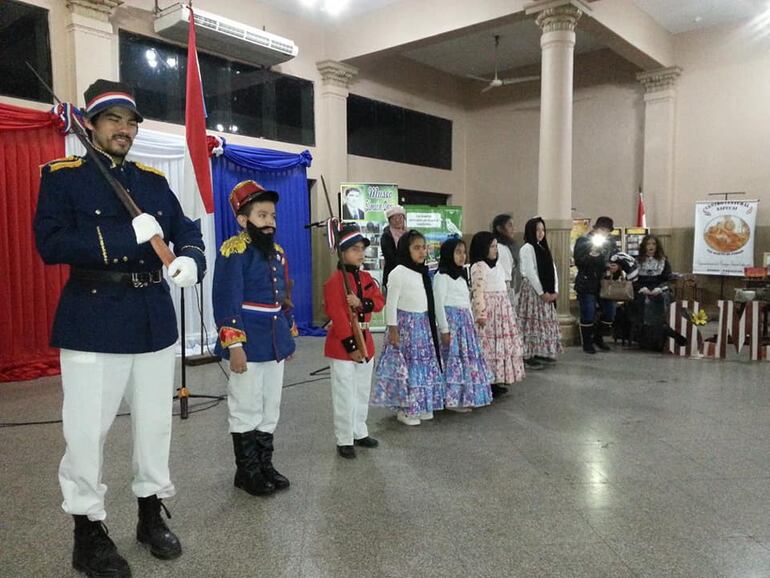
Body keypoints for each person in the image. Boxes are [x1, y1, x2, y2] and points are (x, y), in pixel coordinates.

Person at [33, 79, 205, 577]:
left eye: (130, 122)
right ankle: (87, 531)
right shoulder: (63, 177)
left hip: (152, 316)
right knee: (87, 432)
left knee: (155, 425)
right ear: (90, 123)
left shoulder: (151, 180)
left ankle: (150, 514)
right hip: (93, 316)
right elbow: (50, 241)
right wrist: (119, 236)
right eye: (113, 120)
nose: (124, 130)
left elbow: (186, 228)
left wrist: (191, 260)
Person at [213, 180, 295, 497]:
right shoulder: (233, 251)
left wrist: (287, 335)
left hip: (274, 339)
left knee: (270, 405)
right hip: (248, 340)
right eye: (262, 216)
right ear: (243, 220)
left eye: (272, 216)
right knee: (245, 405)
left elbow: (282, 297)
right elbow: (226, 300)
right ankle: (247, 471)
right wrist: (235, 346)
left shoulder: (277, 253)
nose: (269, 223)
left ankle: (264, 464)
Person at [323, 223, 385, 458]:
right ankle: (344, 438)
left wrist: (361, 302)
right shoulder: (334, 282)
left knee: (361, 392)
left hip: (366, 341)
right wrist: (351, 347)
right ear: (342, 252)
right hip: (343, 346)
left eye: (362, 249)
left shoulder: (367, 277)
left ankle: (360, 431)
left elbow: (378, 301)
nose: (360, 253)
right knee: (344, 393)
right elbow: (338, 318)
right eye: (354, 249)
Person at [371, 230, 445, 426]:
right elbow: (392, 303)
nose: (422, 252)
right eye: (416, 248)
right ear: (406, 249)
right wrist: (393, 329)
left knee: (422, 367)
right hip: (405, 328)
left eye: (424, 247)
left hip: (422, 327)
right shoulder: (398, 272)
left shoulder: (423, 272)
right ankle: (405, 409)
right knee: (407, 369)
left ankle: (420, 404)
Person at [433, 238, 494, 412]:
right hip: (452, 323)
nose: (462, 256)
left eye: (463, 252)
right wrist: (444, 329)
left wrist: (471, 321)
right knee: (453, 361)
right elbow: (438, 303)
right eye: (457, 252)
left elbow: (466, 301)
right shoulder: (442, 276)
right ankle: (452, 399)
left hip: (465, 324)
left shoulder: (460, 276)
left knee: (466, 361)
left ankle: (465, 395)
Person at [469, 231, 526, 397]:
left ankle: (497, 378)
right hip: (489, 313)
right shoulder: (479, 266)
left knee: (499, 346)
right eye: (491, 246)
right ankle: (486, 380)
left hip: (502, 311)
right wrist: (481, 313)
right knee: (488, 347)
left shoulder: (497, 265)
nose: (495, 250)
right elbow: (477, 292)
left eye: (495, 246)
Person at [492, 214, 539, 369]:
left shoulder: (509, 247)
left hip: (510, 291)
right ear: (500, 228)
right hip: (503, 293)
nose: (513, 228)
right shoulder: (500, 248)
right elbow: (505, 276)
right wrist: (509, 297)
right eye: (510, 225)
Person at [517, 217, 563, 364]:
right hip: (533, 291)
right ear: (530, 231)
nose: (540, 233)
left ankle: (540, 351)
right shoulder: (527, 248)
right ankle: (527, 353)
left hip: (546, 292)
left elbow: (552, 269)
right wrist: (542, 292)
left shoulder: (543, 247)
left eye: (543, 230)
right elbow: (530, 272)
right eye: (537, 230)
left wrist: (555, 290)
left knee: (543, 322)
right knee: (531, 322)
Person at [632, 235, 686, 350]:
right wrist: (642, 288)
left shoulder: (663, 260)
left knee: (663, 301)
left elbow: (668, 278)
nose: (651, 246)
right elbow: (633, 280)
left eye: (653, 244)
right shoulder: (637, 261)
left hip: (659, 288)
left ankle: (664, 336)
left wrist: (660, 288)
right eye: (648, 244)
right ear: (644, 246)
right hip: (642, 289)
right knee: (642, 303)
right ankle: (645, 339)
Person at [573, 216, 618, 354]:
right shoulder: (583, 241)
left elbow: (617, 257)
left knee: (610, 312)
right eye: (602, 229)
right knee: (588, 312)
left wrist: (616, 267)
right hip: (587, 283)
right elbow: (579, 261)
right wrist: (591, 255)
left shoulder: (610, 243)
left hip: (604, 283)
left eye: (607, 231)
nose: (604, 233)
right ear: (596, 228)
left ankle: (599, 337)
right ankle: (587, 342)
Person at [379, 205, 406, 287]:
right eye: (394, 218)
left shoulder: (409, 233)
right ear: (389, 220)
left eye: (400, 217)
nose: (398, 220)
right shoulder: (386, 236)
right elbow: (390, 258)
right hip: (393, 275)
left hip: (408, 275)